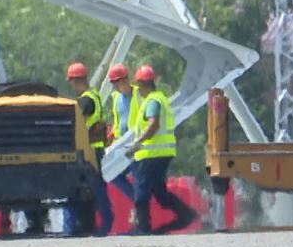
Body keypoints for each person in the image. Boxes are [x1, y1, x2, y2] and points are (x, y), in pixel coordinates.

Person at [127, 64, 197, 235]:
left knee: (141, 193)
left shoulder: (152, 101)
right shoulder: (160, 98)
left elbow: (153, 124)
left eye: (139, 87)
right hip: (163, 153)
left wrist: (138, 143)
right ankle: (186, 214)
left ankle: (144, 229)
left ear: (143, 85)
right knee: (159, 192)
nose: (138, 91)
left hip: (152, 154)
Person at [64, 62, 113, 236]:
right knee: (93, 187)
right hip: (94, 148)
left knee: (95, 187)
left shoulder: (86, 100)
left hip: (89, 149)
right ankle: (91, 225)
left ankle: (106, 223)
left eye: (72, 82)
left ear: (76, 80)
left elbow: (78, 122)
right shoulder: (94, 95)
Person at [105, 63, 138, 205]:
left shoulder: (139, 94)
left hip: (136, 144)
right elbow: (119, 120)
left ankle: (140, 206)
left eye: (122, 82)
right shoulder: (116, 98)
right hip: (121, 144)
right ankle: (137, 201)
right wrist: (112, 135)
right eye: (116, 84)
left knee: (136, 173)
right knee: (112, 174)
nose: (120, 86)